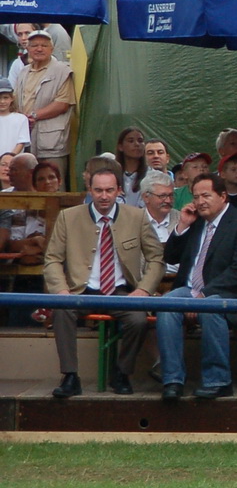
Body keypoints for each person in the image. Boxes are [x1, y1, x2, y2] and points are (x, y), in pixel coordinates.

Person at [43, 166, 164, 398]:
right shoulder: (68, 217)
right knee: (61, 309)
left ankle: (122, 373)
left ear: (119, 190)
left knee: (138, 319)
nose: (104, 196)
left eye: (109, 190)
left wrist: (143, 289)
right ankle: (70, 375)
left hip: (121, 291)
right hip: (81, 290)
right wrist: (61, 289)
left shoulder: (137, 217)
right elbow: (52, 259)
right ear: (90, 190)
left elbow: (156, 258)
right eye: (98, 190)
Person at [156, 173, 237, 401]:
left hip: (229, 294)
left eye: (206, 195)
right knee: (166, 304)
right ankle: (172, 380)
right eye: (196, 197)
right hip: (190, 290)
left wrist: (204, 294)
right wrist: (182, 225)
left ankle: (218, 381)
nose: (200, 201)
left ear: (223, 196)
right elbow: (171, 257)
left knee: (211, 307)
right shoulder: (196, 221)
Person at [17, 29, 74, 178]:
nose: (39, 49)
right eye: (34, 45)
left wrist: (33, 116)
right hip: (26, 139)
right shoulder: (23, 72)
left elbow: (62, 103)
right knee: (29, 184)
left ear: (52, 49)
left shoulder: (62, 71)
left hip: (51, 142)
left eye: (44, 45)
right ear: (28, 48)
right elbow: (16, 101)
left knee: (53, 183)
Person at [0, 81, 33, 156]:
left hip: (13, 159)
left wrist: (10, 157)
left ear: (12, 98)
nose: (2, 101)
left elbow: (21, 142)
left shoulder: (21, 119)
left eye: (5, 98)